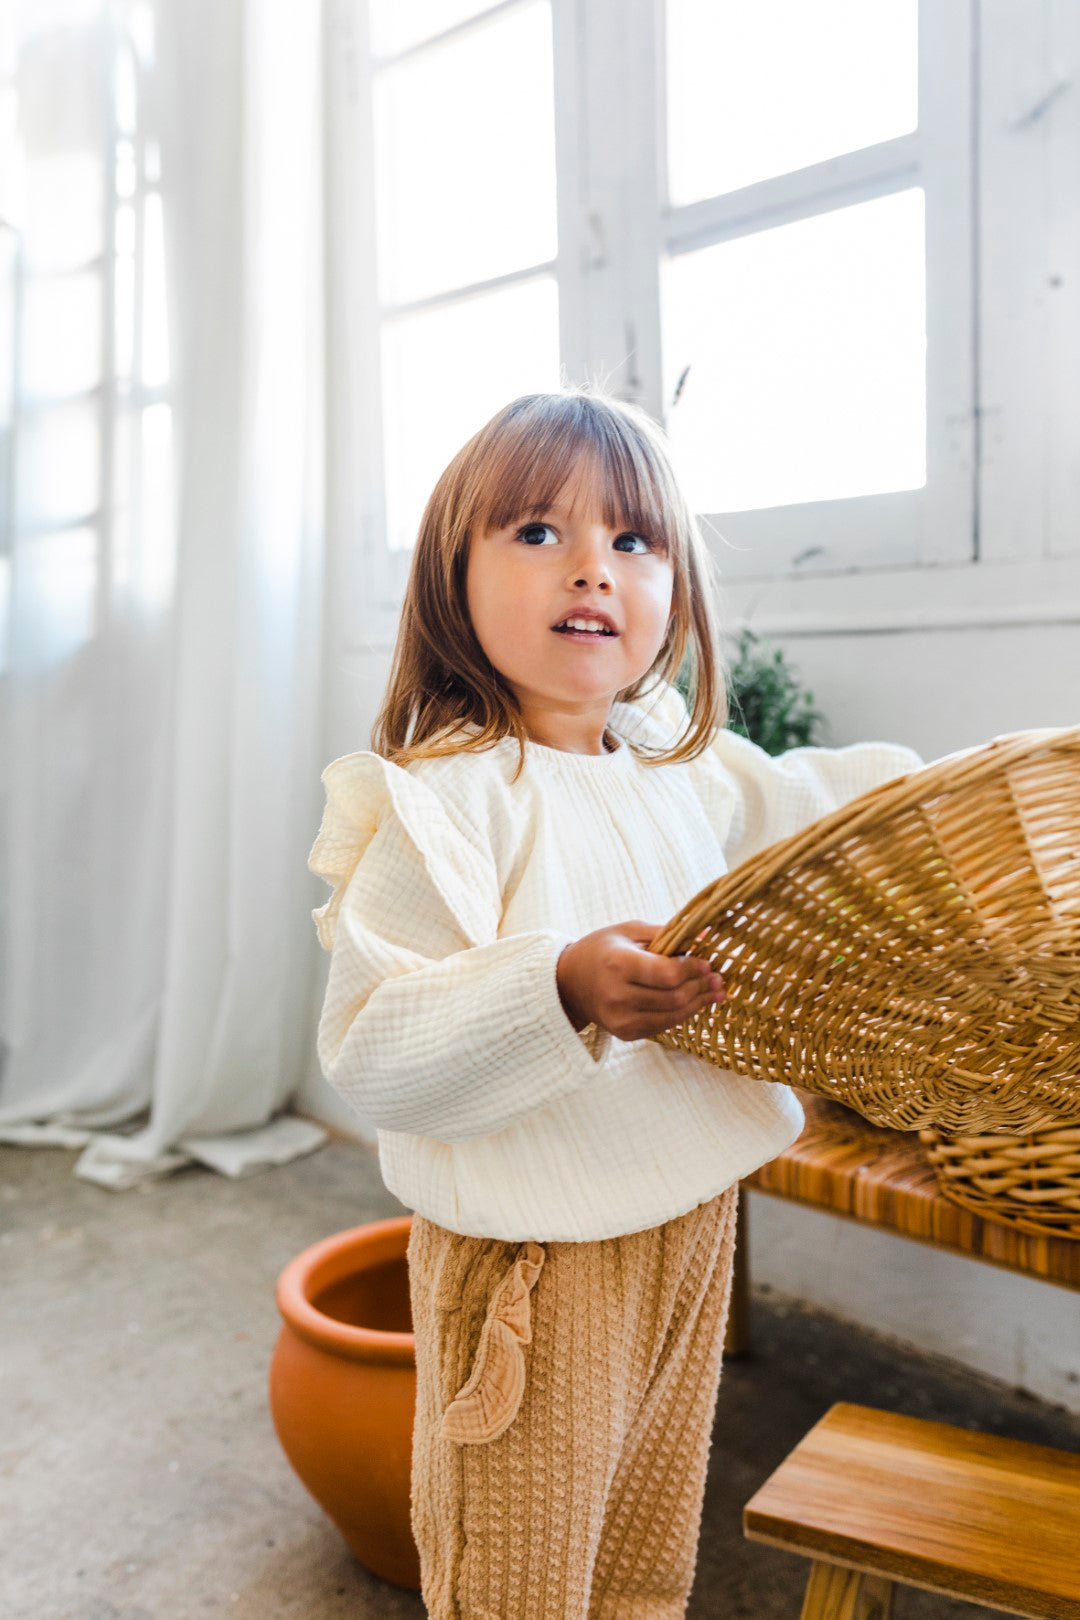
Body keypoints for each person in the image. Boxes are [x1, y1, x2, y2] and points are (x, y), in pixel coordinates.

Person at [307, 386, 923, 1619]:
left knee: (643, 1563)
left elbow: (814, 816)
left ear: (676, 594)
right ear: (451, 582)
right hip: (536, 1253)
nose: (592, 566)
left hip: (685, 1218)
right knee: (521, 1580)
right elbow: (373, 1048)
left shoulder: (669, 761)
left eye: (633, 541)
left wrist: (942, 796)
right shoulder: (453, 797)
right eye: (538, 533)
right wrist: (559, 985)